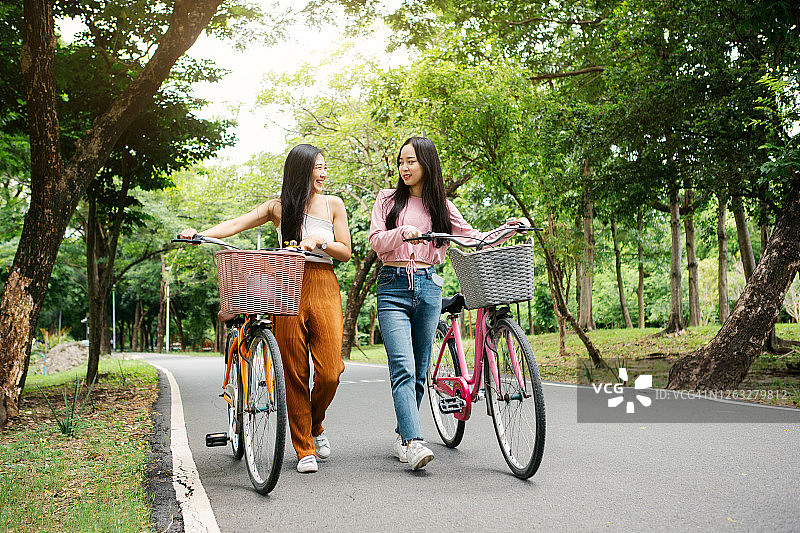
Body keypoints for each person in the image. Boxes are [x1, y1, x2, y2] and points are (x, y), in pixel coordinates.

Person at [179, 144, 351, 474]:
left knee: (331, 370)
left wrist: (319, 241)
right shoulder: (278, 207)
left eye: (325, 167)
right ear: (301, 171)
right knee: (294, 370)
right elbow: (234, 225)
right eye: (318, 167)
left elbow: (344, 251)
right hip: (288, 280)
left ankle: (316, 425)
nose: (324, 173)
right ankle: (304, 449)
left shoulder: (334, 205)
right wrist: (199, 234)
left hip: (324, 283)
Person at [368, 136, 524, 471]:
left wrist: (507, 230)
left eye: (411, 161)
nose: (404, 168)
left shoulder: (442, 206)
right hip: (392, 286)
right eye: (400, 161)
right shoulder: (387, 200)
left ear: (426, 163)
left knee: (422, 370)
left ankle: (402, 435)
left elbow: (474, 238)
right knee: (404, 368)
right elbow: (376, 242)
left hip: (428, 288)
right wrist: (402, 233)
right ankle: (413, 442)